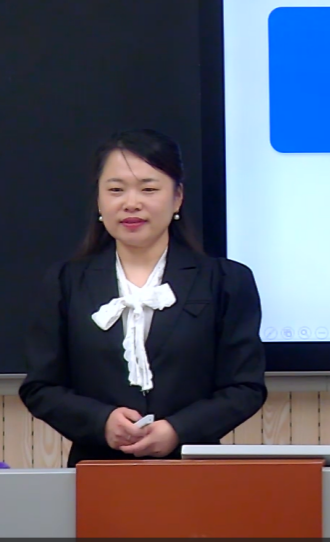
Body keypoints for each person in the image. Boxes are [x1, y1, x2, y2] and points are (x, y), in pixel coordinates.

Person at [20, 129, 266, 466]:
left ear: (177, 198)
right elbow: (41, 387)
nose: (131, 203)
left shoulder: (225, 281)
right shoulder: (65, 282)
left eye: (148, 189)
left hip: (194, 471)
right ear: (99, 200)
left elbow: (245, 388)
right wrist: (101, 422)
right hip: (97, 470)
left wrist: (178, 430)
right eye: (116, 190)